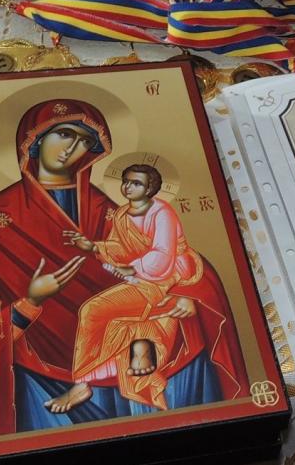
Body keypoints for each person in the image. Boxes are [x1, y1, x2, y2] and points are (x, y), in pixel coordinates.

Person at [0, 99, 247, 444]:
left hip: (121, 347)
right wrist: (29, 302)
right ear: (34, 140)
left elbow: (166, 258)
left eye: (84, 140)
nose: (72, 148)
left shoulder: (111, 211)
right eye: (64, 134)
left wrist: (187, 294)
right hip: (40, 376)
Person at [53, 164, 205, 412]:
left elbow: (162, 255)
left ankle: (82, 382)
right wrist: (93, 247)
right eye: (126, 181)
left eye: (136, 183)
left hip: (162, 280)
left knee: (92, 310)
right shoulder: (122, 214)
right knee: (104, 315)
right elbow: (119, 248)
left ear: (150, 188)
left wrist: (133, 269)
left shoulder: (162, 213)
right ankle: (92, 374)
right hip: (141, 279)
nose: (128, 187)